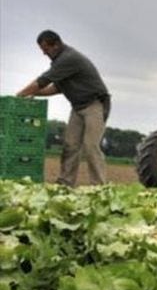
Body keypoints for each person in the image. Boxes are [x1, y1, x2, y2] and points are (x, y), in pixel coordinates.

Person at [16, 30, 110, 187]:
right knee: (70, 145)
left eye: (46, 50)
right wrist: (34, 94)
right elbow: (55, 88)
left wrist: (19, 95)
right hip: (78, 107)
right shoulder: (60, 62)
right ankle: (65, 184)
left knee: (90, 146)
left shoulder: (68, 58)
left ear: (56, 44)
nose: (44, 54)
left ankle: (99, 186)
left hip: (95, 104)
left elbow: (43, 81)